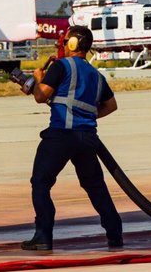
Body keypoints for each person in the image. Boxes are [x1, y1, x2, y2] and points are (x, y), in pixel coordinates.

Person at [10, 25, 123, 252]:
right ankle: (115, 234)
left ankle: (43, 235)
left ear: (72, 44)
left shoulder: (61, 66)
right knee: (95, 187)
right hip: (88, 137)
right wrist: (87, 115)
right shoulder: (96, 75)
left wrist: (36, 79)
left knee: (41, 183)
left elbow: (41, 96)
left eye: (65, 41)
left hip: (61, 134)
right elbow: (111, 106)